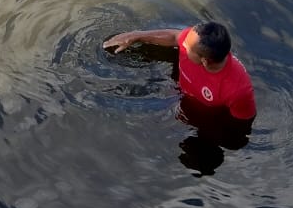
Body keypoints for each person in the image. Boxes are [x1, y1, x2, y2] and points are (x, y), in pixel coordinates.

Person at [103, 21, 256, 137]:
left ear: (204, 61)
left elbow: (241, 126)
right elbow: (174, 36)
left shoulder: (238, 91)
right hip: (178, 93)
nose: (182, 43)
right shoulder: (193, 41)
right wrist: (136, 36)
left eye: (187, 48)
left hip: (201, 117)